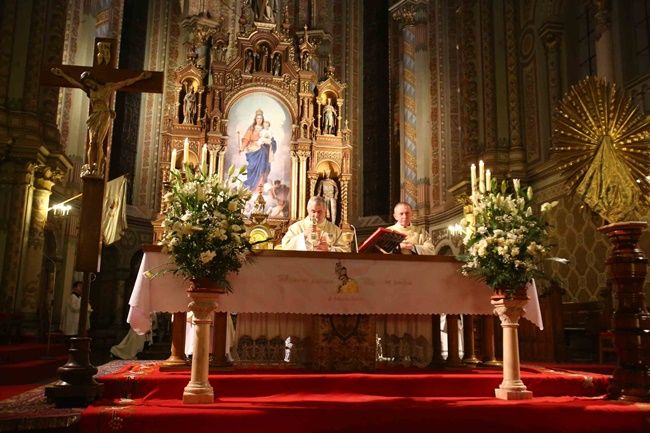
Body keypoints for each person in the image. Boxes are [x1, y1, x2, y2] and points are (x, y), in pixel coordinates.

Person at [50, 68, 151, 177]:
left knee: (98, 142)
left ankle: (97, 168)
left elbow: (125, 82)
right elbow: (75, 83)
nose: (88, 84)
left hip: (104, 115)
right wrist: (62, 74)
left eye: (89, 82)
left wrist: (139, 77)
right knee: (91, 142)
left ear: (93, 79)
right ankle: (90, 168)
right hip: (94, 116)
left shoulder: (107, 87)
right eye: (86, 83)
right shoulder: (89, 91)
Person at [281, 196, 349, 252]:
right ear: (308, 210)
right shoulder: (296, 227)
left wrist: (329, 249)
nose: (316, 215)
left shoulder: (335, 230)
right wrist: (303, 235)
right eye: (313, 211)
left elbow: (346, 250)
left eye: (319, 212)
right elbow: (285, 246)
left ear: (325, 210)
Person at [240, 109, 277, 191]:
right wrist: (242, 147)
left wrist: (270, 142)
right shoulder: (251, 128)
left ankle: (259, 189)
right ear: (255, 119)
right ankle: (251, 186)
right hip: (253, 151)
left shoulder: (265, 129)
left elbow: (271, 139)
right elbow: (246, 139)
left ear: (262, 119)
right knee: (251, 167)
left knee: (262, 168)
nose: (259, 120)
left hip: (263, 151)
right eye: (258, 118)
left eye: (260, 118)